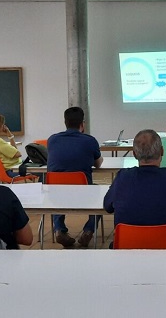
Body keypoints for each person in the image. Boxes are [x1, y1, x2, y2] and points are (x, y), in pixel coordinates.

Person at [104, 129, 166, 248]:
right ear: (162, 151)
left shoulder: (122, 177)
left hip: (128, 249)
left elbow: (107, 206)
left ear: (135, 154)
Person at [47, 106, 104, 248]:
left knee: (57, 190)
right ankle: (88, 230)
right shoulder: (89, 140)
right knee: (104, 195)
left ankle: (59, 229)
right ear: (82, 124)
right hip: (84, 194)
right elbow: (98, 164)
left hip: (55, 195)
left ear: (65, 122)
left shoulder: (52, 140)